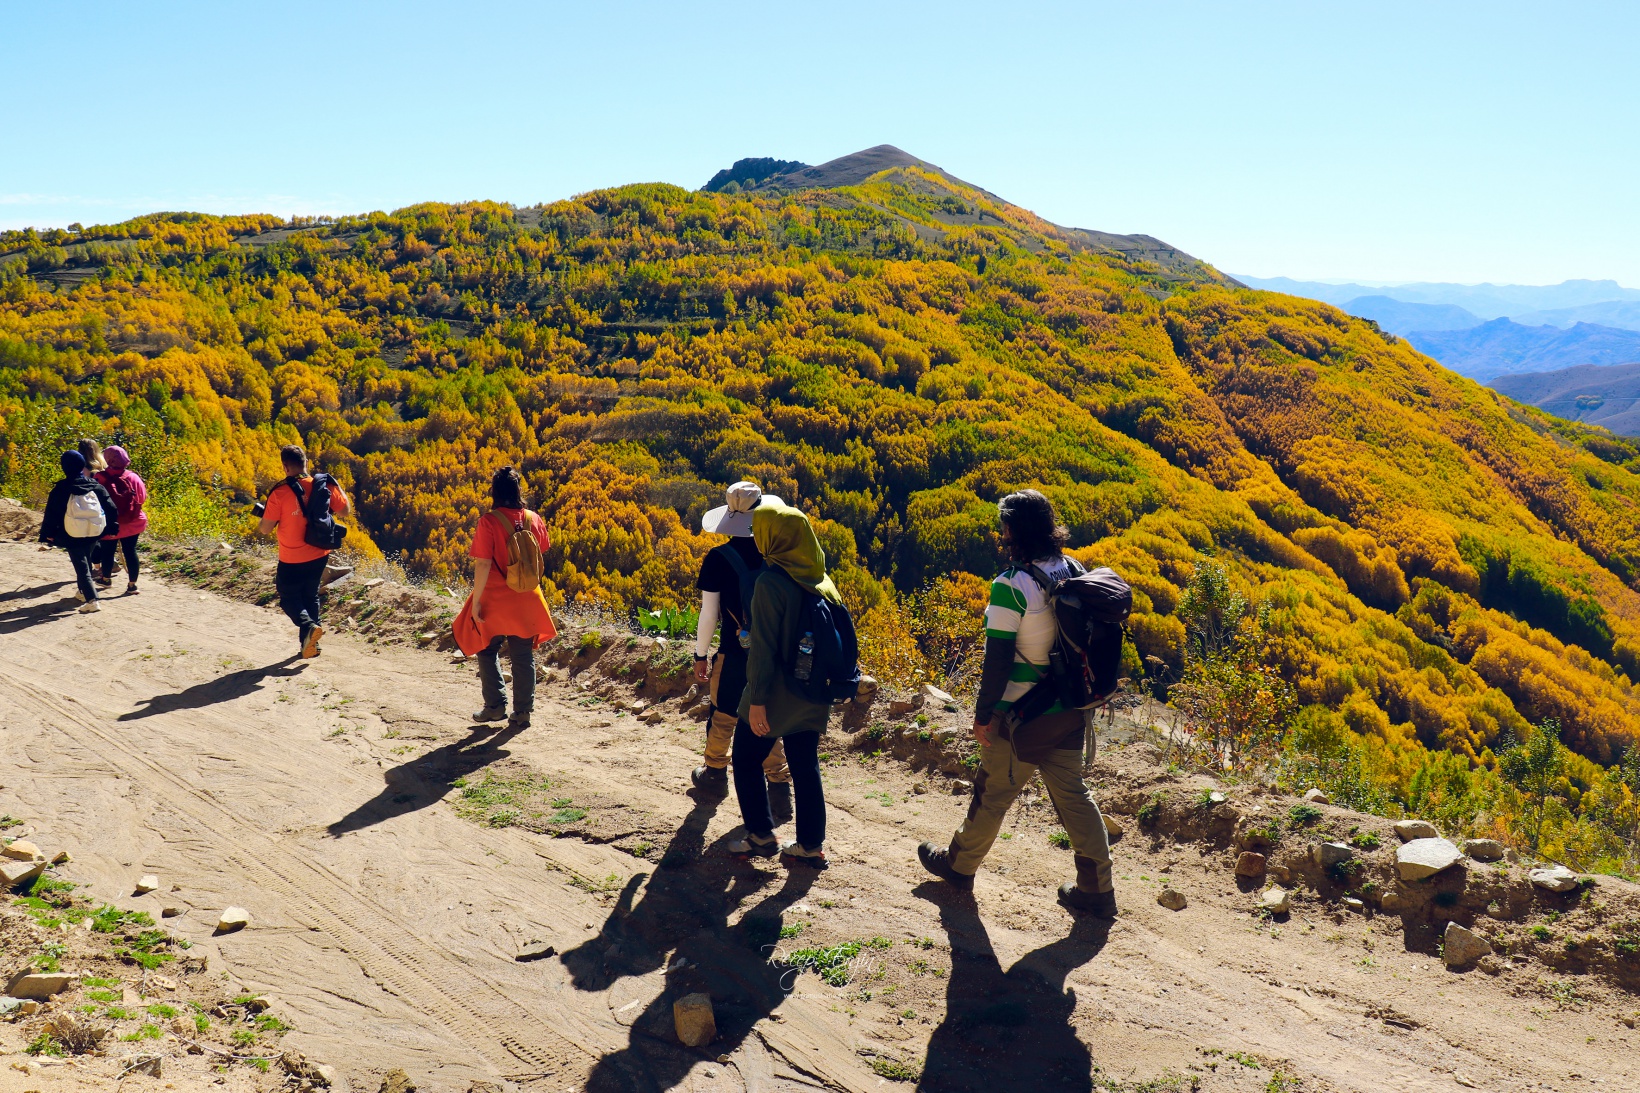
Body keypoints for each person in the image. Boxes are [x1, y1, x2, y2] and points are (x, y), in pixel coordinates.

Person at [917, 490, 1118, 917]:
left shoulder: (1010, 585)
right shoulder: (1072, 569)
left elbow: (998, 660)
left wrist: (984, 715)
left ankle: (958, 866)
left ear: (1012, 531)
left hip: (1020, 715)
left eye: (1003, 526)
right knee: (1073, 796)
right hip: (1068, 706)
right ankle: (1097, 888)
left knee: (992, 794)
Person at [728, 500, 838, 869]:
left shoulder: (771, 583)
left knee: (745, 759)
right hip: (813, 693)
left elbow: (762, 649)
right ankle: (810, 845)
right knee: (806, 766)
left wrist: (757, 700)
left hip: (775, 695)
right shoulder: (822, 580)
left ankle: (761, 835)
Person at [690, 481, 792, 822]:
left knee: (723, 712)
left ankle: (715, 776)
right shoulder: (778, 554)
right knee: (766, 718)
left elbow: (709, 614)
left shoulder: (718, 559)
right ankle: (779, 788)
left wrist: (700, 655)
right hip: (774, 651)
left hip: (735, 651)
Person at [453, 466, 556, 733]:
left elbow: (483, 564)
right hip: (527, 597)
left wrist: (476, 603)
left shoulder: (489, 521)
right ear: (519, 490)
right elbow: (541, 551)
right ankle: (522, 713)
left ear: (495, 492)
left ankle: (495, 705)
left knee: (486, 648)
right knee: (523, 656)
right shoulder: (534, 518)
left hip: (496, 598)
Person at [256, 444, 349, 659]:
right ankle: (310, 646)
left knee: (288, 597)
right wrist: (338, 486)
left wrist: (269, 516)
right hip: (319, 553)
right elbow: (344, 511)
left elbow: (265, 528)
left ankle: (308, 627)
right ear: (306, 462)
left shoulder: (279, 492)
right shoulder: (323, 485)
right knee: (310, 595)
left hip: (291, 557)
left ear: (286, 467)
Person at [39, 450, 119, 614]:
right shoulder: (94, 485)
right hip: (94, 530)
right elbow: (111, 507)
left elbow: (52, 514)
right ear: (82, 465)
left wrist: (48, 534)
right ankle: (83, 593)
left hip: (71, 532)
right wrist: (112, 527)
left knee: (82, 567)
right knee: (85, 560)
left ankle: (92, 600)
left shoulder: (61, 488)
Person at [93, 445, 148, 594]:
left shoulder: (99, 477)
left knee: (107, 551)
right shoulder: (133, 477)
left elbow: (94, 500)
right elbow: (142, 498)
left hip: (110, 523)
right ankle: (132, 585)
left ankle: (106, 580)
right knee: (130, 551)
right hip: (132, 521)